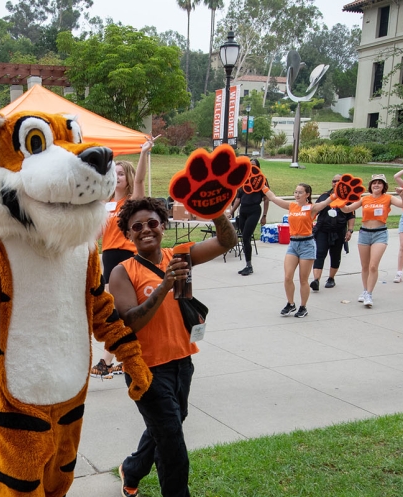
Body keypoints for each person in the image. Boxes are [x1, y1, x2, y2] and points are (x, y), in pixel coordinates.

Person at [109, 197, 236, 497]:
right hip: (146, 369)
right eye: (136, 226)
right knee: (172, 444)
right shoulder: (122, 272)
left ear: (163, 225)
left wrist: (216, 212)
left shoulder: (180, 255)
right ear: (128, 234)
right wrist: (165, 284)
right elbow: (130, 322)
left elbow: (226, 241)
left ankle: (133, 468)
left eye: (152, 223)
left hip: (182, 362)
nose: (145, 230)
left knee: (171, 424)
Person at [91, 136, 155, 379]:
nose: (116, 176)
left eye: (120, 173)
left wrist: (144, 153)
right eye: (113, 173)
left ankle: (107, 361)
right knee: (123, 311)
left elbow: (140, 179)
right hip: (108, 257)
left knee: (116, 312)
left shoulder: (132, 203)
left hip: (127, 257)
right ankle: (125, 357)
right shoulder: (106, 204)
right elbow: (96, 233)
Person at [263, 184, 334, 318]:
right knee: (288, 276)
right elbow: (272, 197)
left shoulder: (312, 208)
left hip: (307, 244)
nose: (297, 195)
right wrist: (263, 187)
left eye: (300, 192)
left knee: (303, 279)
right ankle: (290, 304)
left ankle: (303, 307)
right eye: (295, 192)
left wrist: (337, 194)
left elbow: (326, 202)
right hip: (293, 244)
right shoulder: (292, 206)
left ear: (307, 194)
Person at [340, 174, 403, 308]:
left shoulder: (388, 198)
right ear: (370, 185)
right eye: (374, 183)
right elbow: (348, 209)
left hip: (380, 234)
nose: (376, 185)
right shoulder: (365, 199)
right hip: (364, 234)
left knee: (373, 266)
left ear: (384, 186)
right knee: (365, 266)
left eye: (379, 183)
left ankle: (369, 294)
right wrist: (341, 202)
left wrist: (402, 194)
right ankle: (365, 290)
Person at [310, 174, 355, 292]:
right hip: (322, 230)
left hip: (338, 231)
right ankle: (316, 280)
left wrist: (350, 230)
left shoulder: (348, 198)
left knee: (335, 255)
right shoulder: (325, 196)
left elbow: (351, 216)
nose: (336, 183)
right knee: (319, 254)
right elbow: (315, 209)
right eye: (334, 181)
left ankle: (331, 278)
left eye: (339, 181)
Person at [229, 158, 269, 276]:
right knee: (244, 237)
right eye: (249, 165)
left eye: (253, 165)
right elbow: (238, 198)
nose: (251, 167)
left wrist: (264, 216)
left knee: (246, 236)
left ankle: (249, 266)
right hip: (243, 210)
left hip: (254, 210)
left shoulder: (261, 180)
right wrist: (231, 211)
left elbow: (266, 199)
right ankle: (247, 264)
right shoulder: (243, 180)